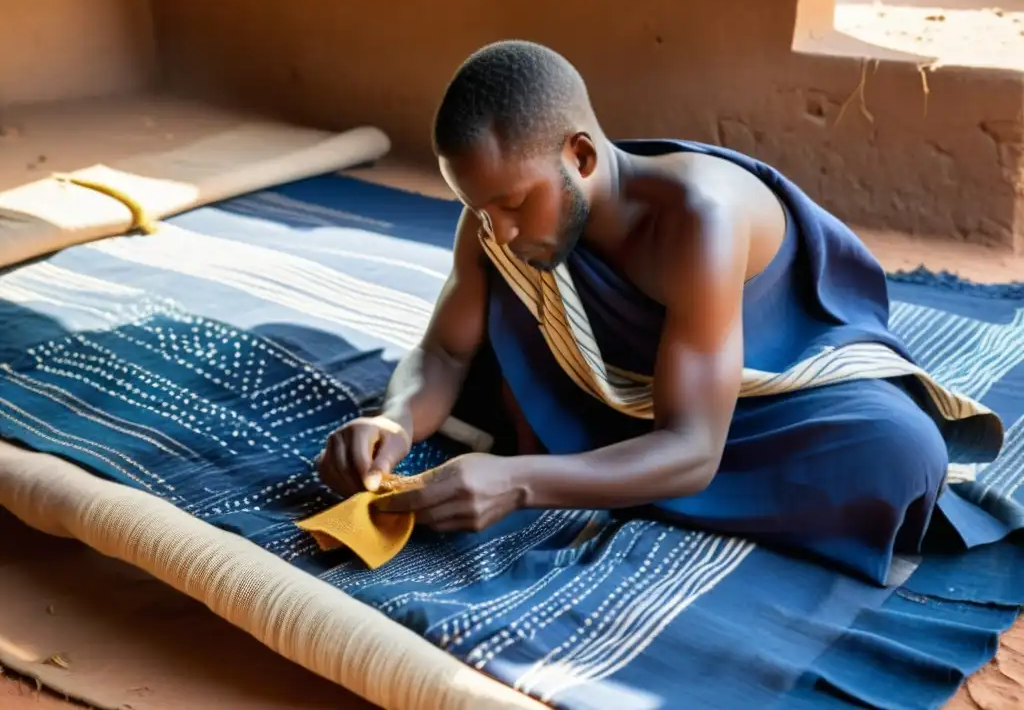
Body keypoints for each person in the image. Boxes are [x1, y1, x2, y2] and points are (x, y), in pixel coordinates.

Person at [316, 40, 1001, 585]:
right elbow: (443, 354)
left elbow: (694, 448)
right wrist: (395, 419)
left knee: (903, 456)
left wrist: (521, 482)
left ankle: (581, 457)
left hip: (752, 393)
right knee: (489, 354)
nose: (498, 233)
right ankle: (599, 460)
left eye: (516, 204)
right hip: (609, 390)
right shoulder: (498, 223)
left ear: (580, 155)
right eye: (478, 209)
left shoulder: (698, 218)